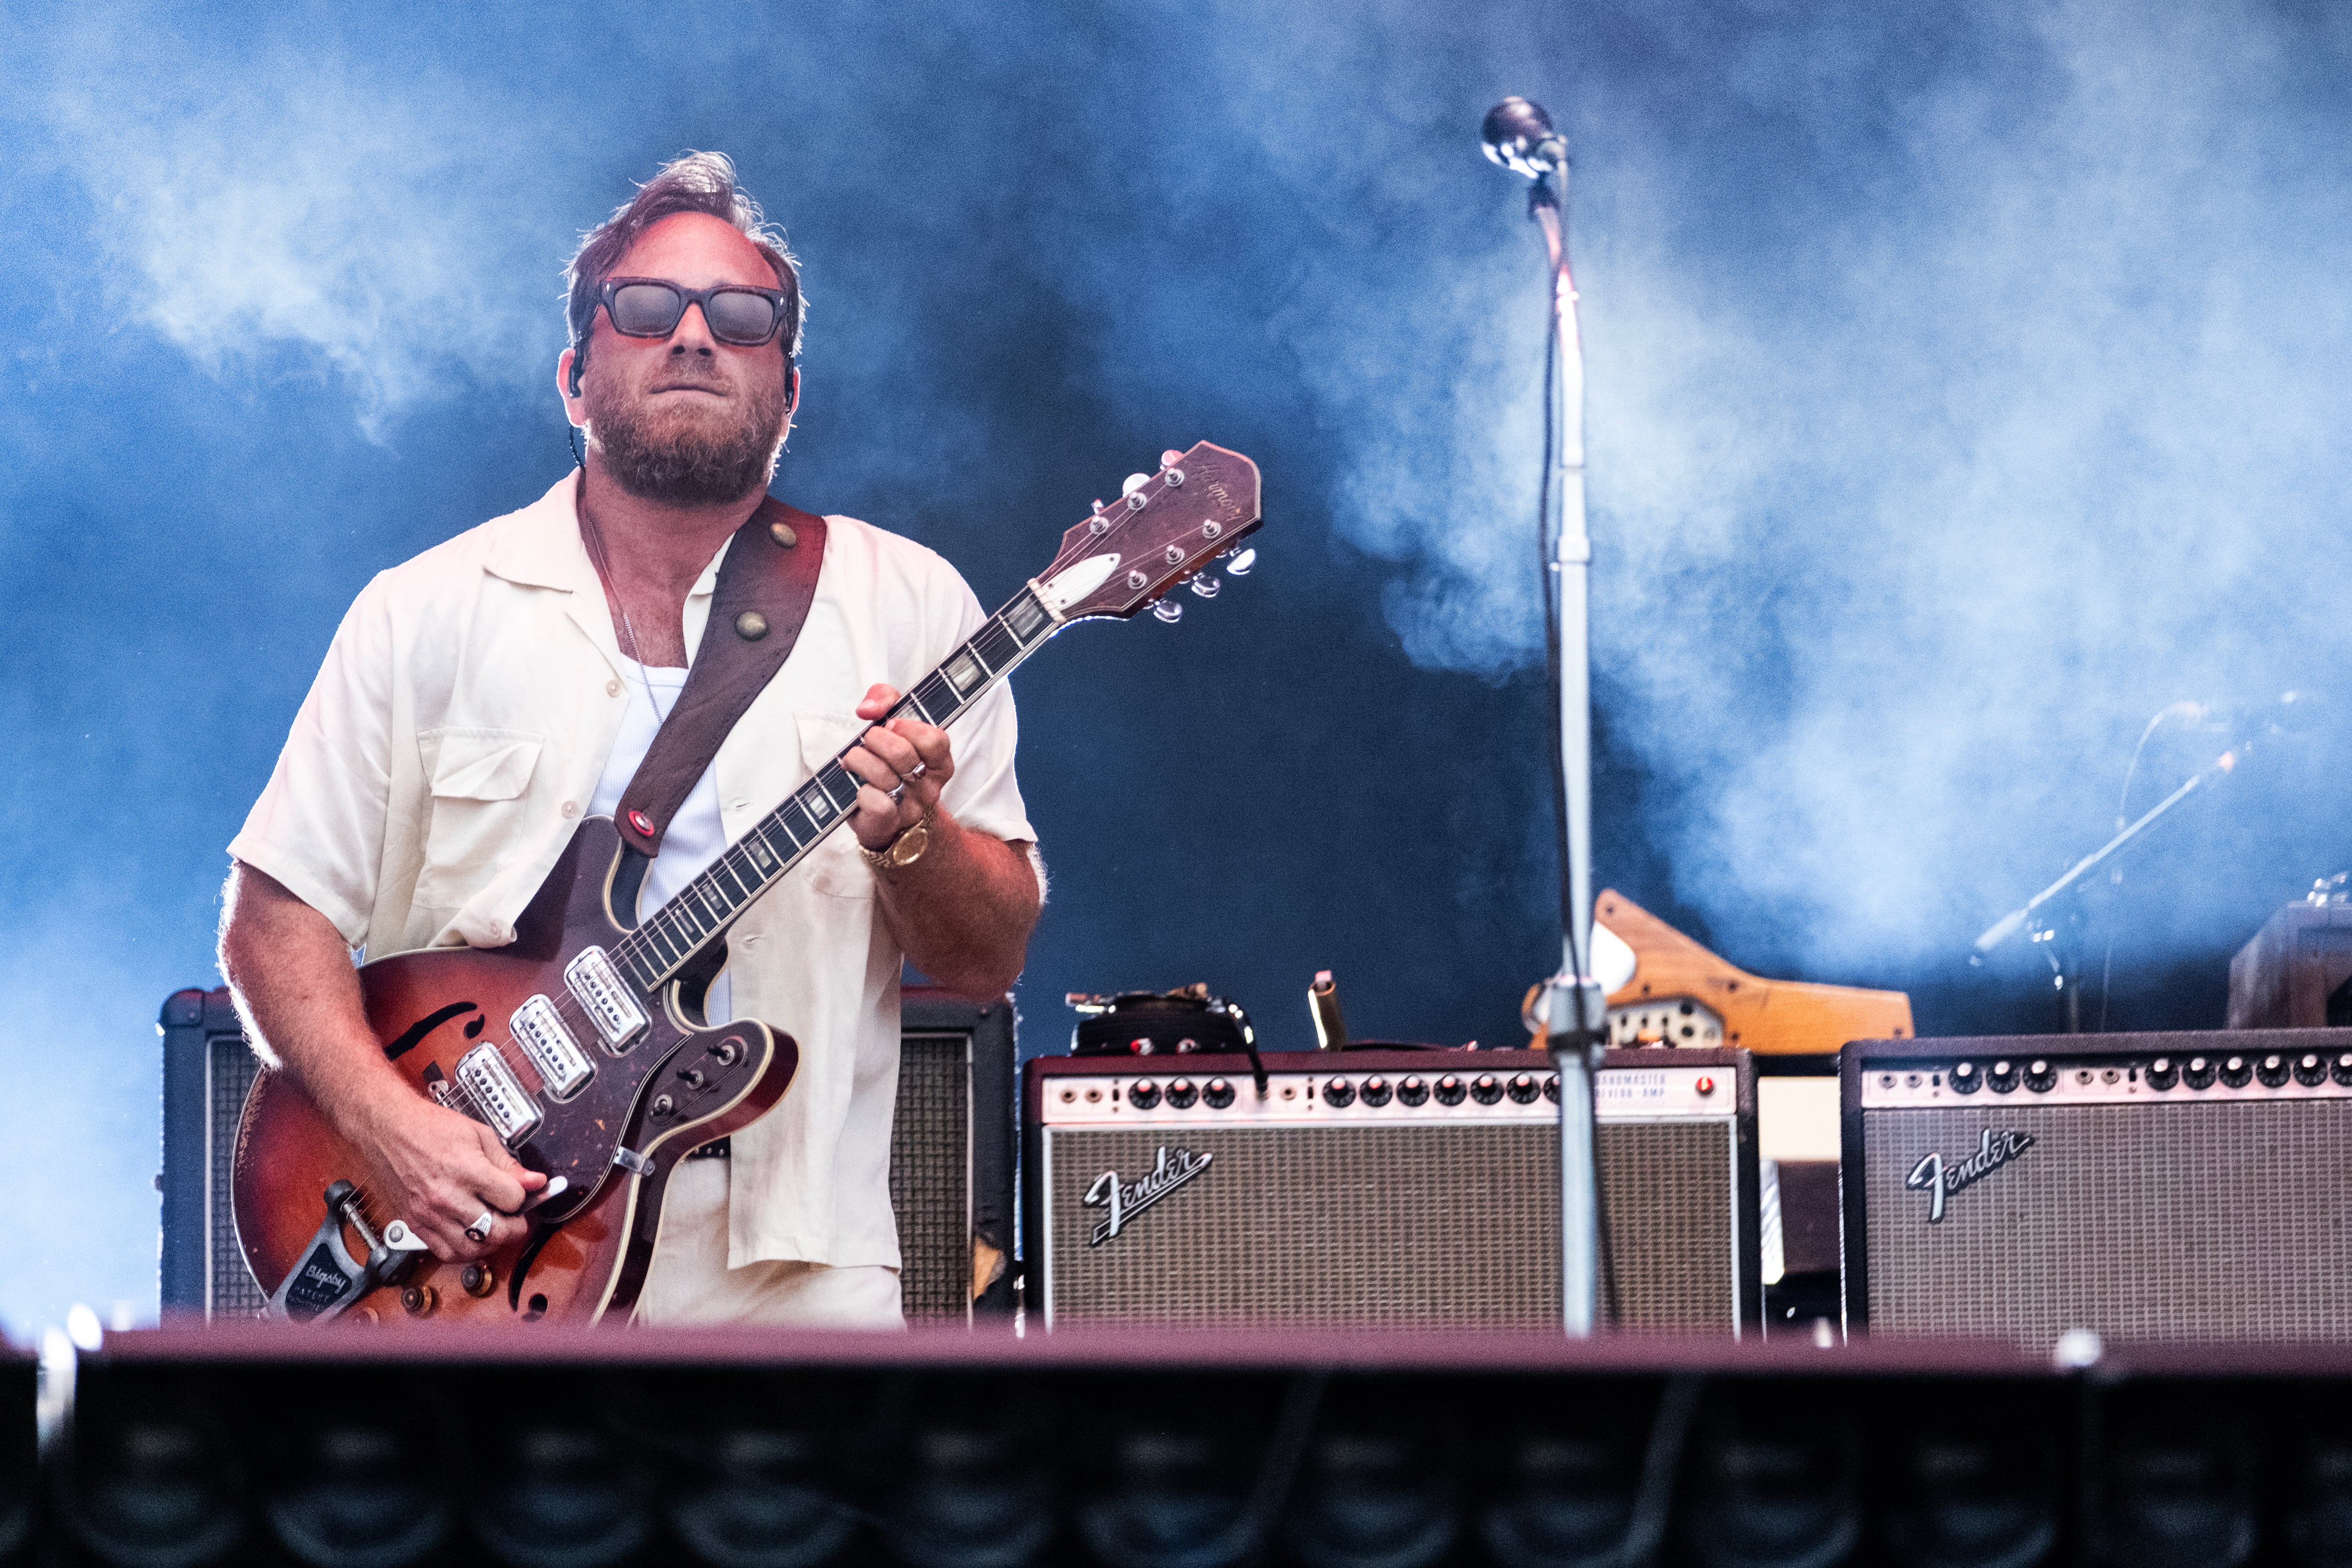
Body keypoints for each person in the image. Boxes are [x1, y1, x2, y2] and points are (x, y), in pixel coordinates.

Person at [216, 151, 1045, 1328]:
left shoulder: (908, 606)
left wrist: (914, 840)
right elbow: (275, 916)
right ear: (574, 376)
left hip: (795, 1277)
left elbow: (987, 957)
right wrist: (387, 1125)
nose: (694, 337)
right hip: (487, 1257)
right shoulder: (425, 610)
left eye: (741, 317)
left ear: (791, 390)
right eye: (648, 308)